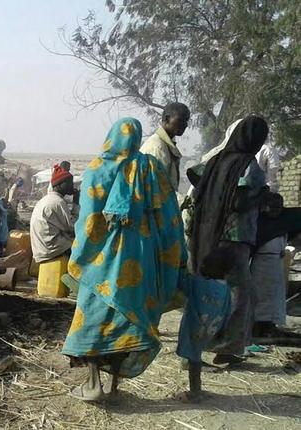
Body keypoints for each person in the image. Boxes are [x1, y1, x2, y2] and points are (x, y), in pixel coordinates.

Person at [62, 118, 187, 401]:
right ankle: (115, 386)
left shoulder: (97, 170)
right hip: (142, 259)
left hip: (104, 261)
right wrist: (174, 256)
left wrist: (79, 256)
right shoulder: (152, 169)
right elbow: (170, 217)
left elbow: (91, 221)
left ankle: (93, 385)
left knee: (94, 316)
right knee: (129, 318)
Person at [186, 115, 272, 365]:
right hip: (234, 239)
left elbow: (195, 176)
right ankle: (226, 349)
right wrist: (262, 197)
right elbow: (239, 202)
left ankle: (192, 346)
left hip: (205, 236)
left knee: (203, 292)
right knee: (239, 295)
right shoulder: (249, 166)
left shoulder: (215, 161)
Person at [252, 141, 288, 338]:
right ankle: (257, 325)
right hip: (261, 264)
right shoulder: (260, 151)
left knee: (273, 297)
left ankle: (269, 325)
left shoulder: (268, 149)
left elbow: (274, 174)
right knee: (259, 297)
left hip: (275, 264)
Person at [30, 165, 78, 263]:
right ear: (59, 184)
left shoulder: (46, 199)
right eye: (68, 183)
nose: (72, 186)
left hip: (41, 248)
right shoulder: (58, 202)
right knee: (84, 249)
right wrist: (76, 203)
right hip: (52, 250)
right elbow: (74, 227)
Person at [140, 102, 190, 191]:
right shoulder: (157, 147)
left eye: (186, 121)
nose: (185, 125)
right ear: (167, 119)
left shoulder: (166, 145)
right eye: (181, 120)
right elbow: (157, 190)